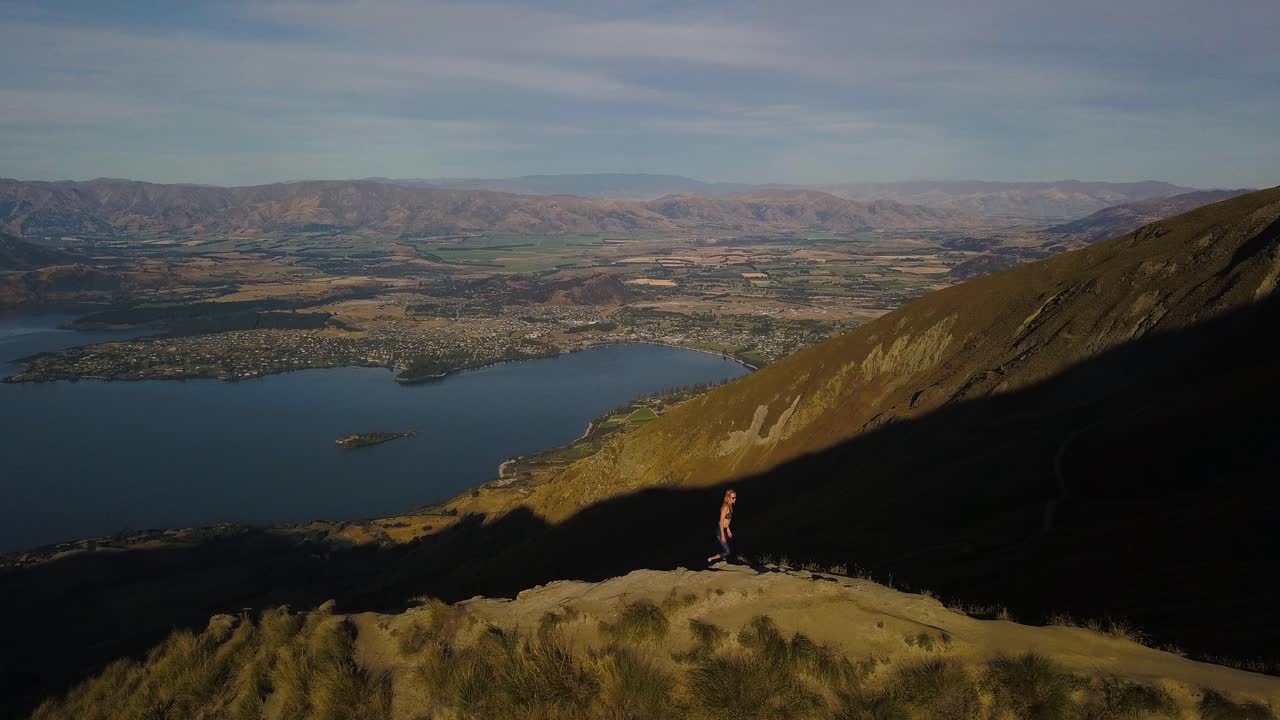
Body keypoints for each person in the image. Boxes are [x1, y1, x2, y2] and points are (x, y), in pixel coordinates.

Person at [707, 489, 736, 564]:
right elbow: (721, 521)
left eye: (735, 497)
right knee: (727, 551)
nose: (735, 499)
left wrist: (728, 529)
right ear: (728, 497)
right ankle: (711, 558)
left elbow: (728, 519)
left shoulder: (730, 505)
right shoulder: (725, 507)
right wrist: (722, 535)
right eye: (733, 498)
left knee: (730, 545)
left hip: (725, 529)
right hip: (720, 530)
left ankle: (723, 560)